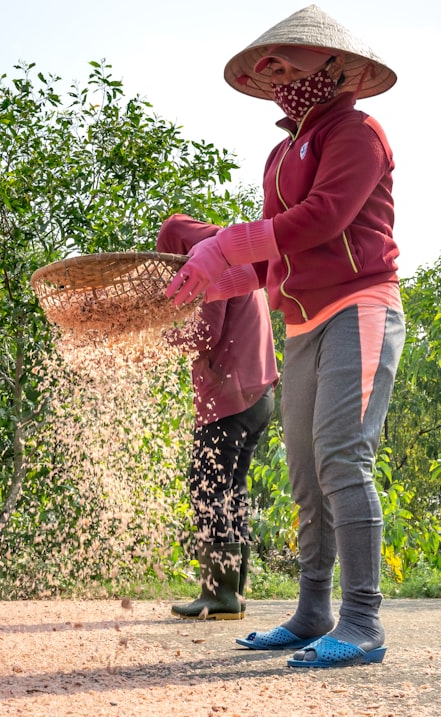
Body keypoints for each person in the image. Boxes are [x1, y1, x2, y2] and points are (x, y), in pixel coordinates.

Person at [165, 5, 404, 668]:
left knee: (342, 459)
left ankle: (362, 620)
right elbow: (273, 260)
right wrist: (205, 280)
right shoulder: (280, 154)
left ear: (336, 67)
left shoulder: (357, 134)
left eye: (290, 67)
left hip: (359, 307)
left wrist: (226, 244)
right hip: (302, 322)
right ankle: (313, 611)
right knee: (305, 472)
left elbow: (323, 218)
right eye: (272, 71)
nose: (279, 80)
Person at [159, 217, 279, 621]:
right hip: (259, 395)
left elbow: (205, 334)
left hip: (230, 397)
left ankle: (219, 593)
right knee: (231, 491)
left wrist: (157, 340)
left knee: (206, 487)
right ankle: (234, 591)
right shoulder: (235, 251)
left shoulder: (208, 261)